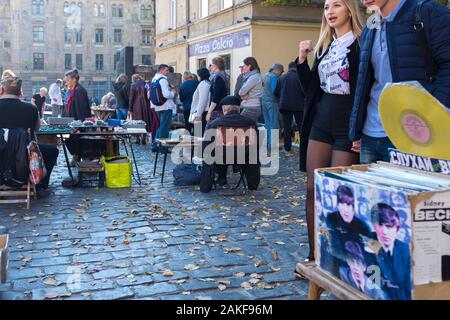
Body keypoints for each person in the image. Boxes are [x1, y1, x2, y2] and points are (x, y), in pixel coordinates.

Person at [296, 0, 365, 262]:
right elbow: (311, 90)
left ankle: (342, 257)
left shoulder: (360, 43)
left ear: (349, 9)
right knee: (313, 190)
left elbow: (366, 88)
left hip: (347, 127)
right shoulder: (326, 46)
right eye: (326, 8)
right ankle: (315, 255)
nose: (331, 11)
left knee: (340, 194)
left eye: (337, 5)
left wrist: (360, 130)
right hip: (321, 124)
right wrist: (302, 61)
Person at [350, 0, 450, 164]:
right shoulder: (369, 28)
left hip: (414, 137)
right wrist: (356, 129)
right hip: (369, 136)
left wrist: (432, 116)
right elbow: (364, 83)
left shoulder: (429, 13)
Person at [0, 76, 58, 198]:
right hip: (25, 159)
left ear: (1, 90)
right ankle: (39, 185)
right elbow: (36, 131)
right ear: (20, 92)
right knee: (52, 151)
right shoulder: (31, 109)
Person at [200, 96, 260, 193]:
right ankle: (252, 185)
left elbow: (206, 146)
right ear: (239, 109)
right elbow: (256, 144)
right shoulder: (250, 123)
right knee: (252, 155)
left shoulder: (216, 123)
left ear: (224, 109)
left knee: (210, 154)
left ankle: (208, 185)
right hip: (244, 157)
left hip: (221, 158)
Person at [367, 203, 412, 300]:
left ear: (397, 228)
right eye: (380, 225)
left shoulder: (404, 249)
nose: (384, 231)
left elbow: (406, 286)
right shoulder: (365, 243)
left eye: (389, 226)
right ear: (374, 226)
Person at [325, 185, 371, 275]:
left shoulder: (363, 227)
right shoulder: (332, 218)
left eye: (348, 204)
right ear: (337, 205)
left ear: (353, 205)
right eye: (341, 204)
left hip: (359, 270)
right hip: (336, 266)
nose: (345, 209)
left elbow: (368, 255)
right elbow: (333, 248)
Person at [275, 61, 305, 152]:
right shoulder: (301, 77)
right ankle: (303, 147)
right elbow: (305, 92)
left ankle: (287, 147)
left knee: (287, 127)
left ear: (288, 68)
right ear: (296, 68)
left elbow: (275, 92)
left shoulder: (281, 78)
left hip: (285, 106)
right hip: (299, 106)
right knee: (301, 126)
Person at [64, 69, 91, 166]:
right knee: (71, 140)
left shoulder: (79, 90)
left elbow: (81, 109)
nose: (66, 82)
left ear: (74, 79)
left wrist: (80, 125)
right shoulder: (73, 90)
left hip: (78, 121)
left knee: (75, 140)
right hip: (73, 121)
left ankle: (76, 158)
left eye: (68, 80)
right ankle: (76, 157)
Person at [150, 65, 176, 152]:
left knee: (161, 126)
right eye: (166, 70)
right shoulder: (163, 80)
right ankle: (163, 148)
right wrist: (173, 92)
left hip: (157, 106)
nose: (168, 72)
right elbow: (166, 95)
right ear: (161, 70)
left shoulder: (154, 79)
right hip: (166, 106)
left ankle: (155, 145)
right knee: (165, 127)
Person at [262, 63, 284, 152]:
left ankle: (266, 143)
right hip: (272, 102)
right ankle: (273, 145)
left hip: (264, 101)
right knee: (274, 124)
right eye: (281, 72)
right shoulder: (274, 77)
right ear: (278, 70)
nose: (281, 74)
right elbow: (275, 90)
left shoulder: (266, 75)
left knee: (267, 124)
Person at [129, 74, 152, 145]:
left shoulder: (133, 85)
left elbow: (131, 98)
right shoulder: (146, 84)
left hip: (136, 106)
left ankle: (138, 138)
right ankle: (144, 138)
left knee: (137, 122)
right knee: (145, 121)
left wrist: (130, 108)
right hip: (146, 105)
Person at [239, 57, 263, 123]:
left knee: (241, 126)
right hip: (252, 106)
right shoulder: (253, 76)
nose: (243, 67)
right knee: (251, 129)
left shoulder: (253, 77)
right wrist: (243, 96)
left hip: (251, 107)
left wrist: (244, 95)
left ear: (249, 66)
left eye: (244, 65)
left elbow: (241, 92)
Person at [206, 56, 229, 123]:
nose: (210, 67)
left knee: (210, 132)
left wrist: (209, 112)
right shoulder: (224, 76)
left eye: (211, 65)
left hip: (217, 110)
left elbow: (216, 97)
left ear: (215, 66)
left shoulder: (218, 77)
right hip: (221, 108)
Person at [190, 68, 211, 136]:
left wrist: (198, 115)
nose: (198, 77)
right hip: (203, 111)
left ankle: (199, 147)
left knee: (198, 135)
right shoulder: (207, 83)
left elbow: (202, 100)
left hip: (201, 113)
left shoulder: (203, 84)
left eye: (198, 75)